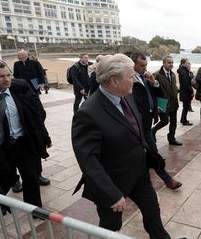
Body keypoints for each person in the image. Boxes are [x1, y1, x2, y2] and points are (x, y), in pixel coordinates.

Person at [71, 54, 170, 238]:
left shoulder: (126, 95)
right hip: (112, 183)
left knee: (153, 215)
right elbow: (88, 159)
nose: (135, 79)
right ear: (115, 80)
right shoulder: (88, 113)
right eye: (131, 76)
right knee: (111, 227)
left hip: (139, 175)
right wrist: (111, 194)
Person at [0, 59, 52, 208]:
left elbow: (35, 116)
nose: (7, 80)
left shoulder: (21, 88)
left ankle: (34, 208)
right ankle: (1, 206)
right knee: (3, 178)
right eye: (0, 76)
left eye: (8, 75)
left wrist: (44, 136)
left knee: (31, 177)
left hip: (23, 142)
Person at [130, 52, 182, 189]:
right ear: (133, 65)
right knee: (136, 157)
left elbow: (160, 94)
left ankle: (167, 179)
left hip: (146, 123)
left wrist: (154, 83)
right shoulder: (129, 79)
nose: (144, 68)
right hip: (134, 125)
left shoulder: (147, 77)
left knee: (153, 153)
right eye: (141, 65)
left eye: (146, 65)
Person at [151, 56, 183, 146]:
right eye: (169, 62)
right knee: (164, 121)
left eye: (172, 62)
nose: (171, 64)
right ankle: (152, 131)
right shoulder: (156, 74)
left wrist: (177, 90)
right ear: (164, 63)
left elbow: (173, 86)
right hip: (162, 102)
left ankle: (171, 139)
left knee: (173, 122)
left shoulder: (172, 74)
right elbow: (153, 90)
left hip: (173, 102)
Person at [177, 58, 194, 126]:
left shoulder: (183, 71)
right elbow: (186, 84)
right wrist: (192, 91)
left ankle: (183, 119)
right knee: (186, 107)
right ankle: (184, 120)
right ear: (183, 64)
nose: (189, 64)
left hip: (184, 92)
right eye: (187, 63)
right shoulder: (183, 72)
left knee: (185, 107)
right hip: (185, 92)